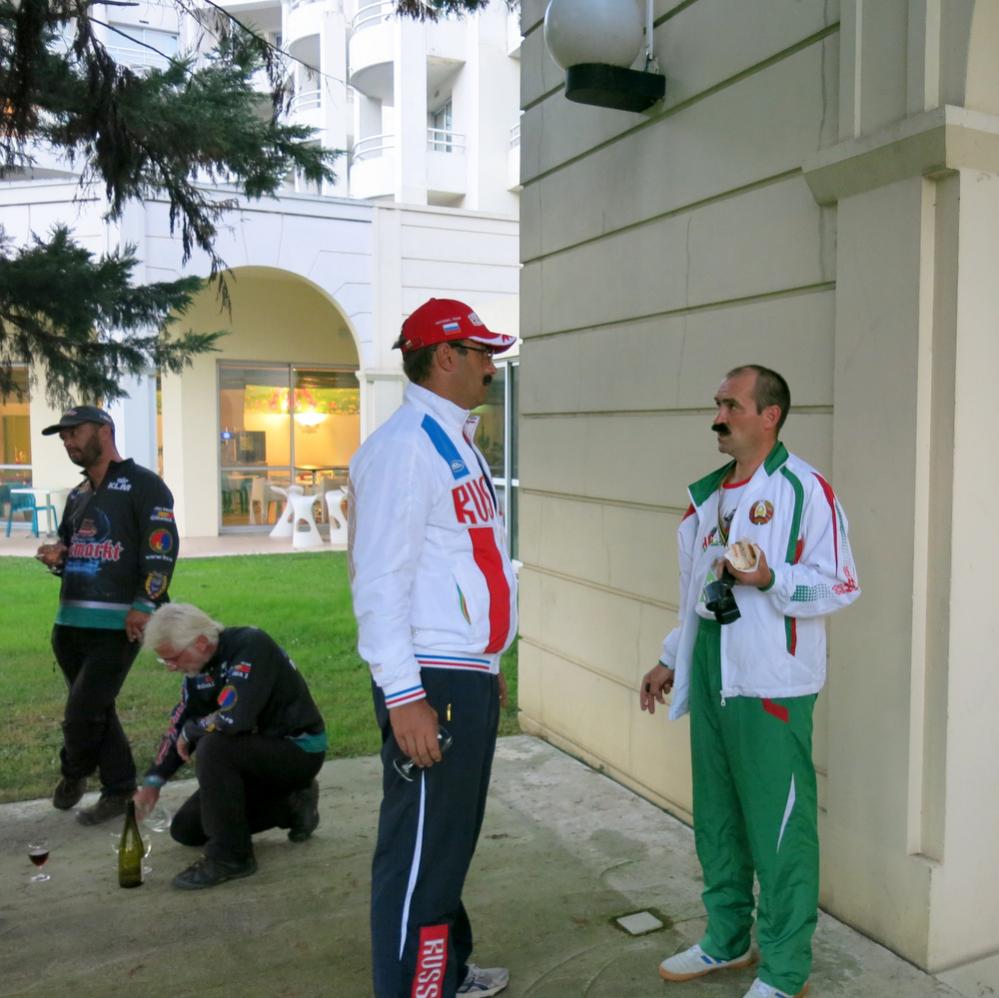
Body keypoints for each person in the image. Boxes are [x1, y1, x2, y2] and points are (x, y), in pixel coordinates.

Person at [640, 366, 860, 998]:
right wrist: (673, 657)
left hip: (771, 681)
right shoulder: (708, 496)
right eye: (717, 404)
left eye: (731, 405)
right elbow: (695, 591)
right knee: (718, 818)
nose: (718, 417)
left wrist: (771, 578)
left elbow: (843, 584)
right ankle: (727, 938)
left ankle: (785, 970)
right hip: (712, 667)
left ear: (770, 416)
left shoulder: (805, 489)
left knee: (780, 829)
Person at [348, 298, 518, 998]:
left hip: (462, 674)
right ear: (445, 357)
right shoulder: (404, 448)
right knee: (417, 855)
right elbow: (378, 580)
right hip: (430, 683)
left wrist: (488, 662)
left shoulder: (451, 439)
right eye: (482, 353)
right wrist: (404, 693)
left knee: (445, 845)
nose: (492, 367)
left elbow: (467, 563)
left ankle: (443, 972)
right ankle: (411, 989)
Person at [35, 405, 179, 826]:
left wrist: (145, 604)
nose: (68, 442)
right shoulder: (78, 495)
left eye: (74, 433)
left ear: (104, 431)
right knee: (99, 709)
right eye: (63, 437)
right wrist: (58, 556)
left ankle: (74, 771)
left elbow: (161, 548)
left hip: (118, 625)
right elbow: (73, 549)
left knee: (82, 713)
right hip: (69, 624)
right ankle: (119, 790)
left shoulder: (145, 485)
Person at [135, 602, 327, 890]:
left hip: (297, 750)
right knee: (186, 829)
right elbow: (179, 725)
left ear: (201, 642)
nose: (171, 667)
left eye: (172, 658)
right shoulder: (196, 672)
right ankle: (292, 806)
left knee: (214, 747)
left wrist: (193, 730)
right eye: (165, 661)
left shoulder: (251, 644)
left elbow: (235, 718)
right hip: (251, 759)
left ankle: (231, 858)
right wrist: (153, 781)